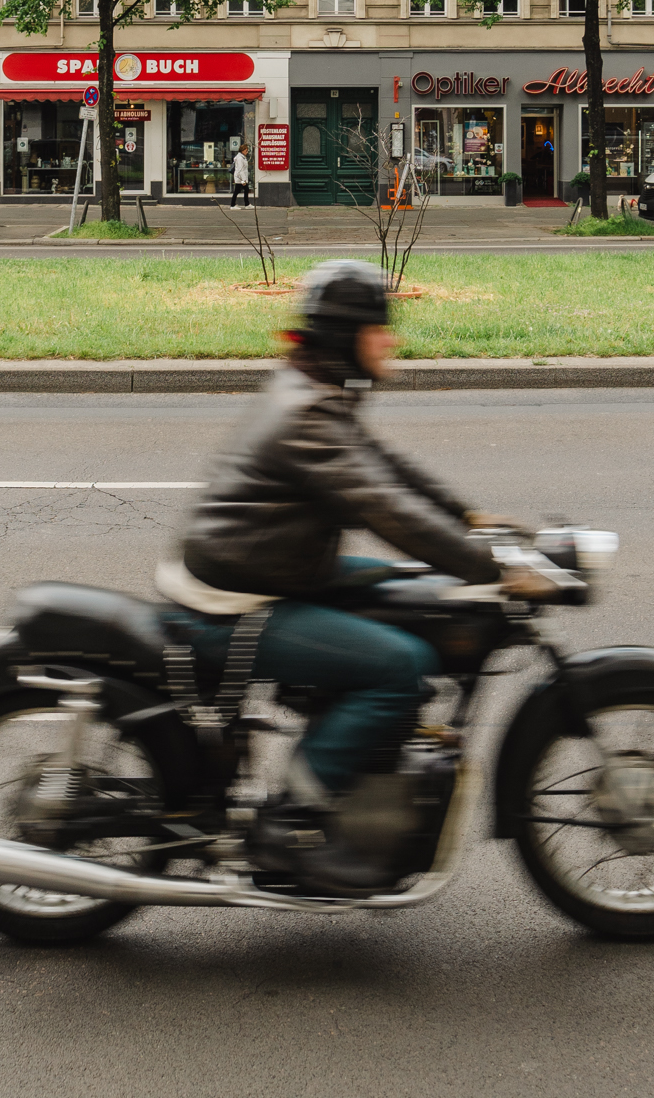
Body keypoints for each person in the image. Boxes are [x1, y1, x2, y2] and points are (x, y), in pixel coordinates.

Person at [157, 259, 550, 894]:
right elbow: (384, 508)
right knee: (398, 665)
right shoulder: (309, 415)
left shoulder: (318, 392)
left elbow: (388, 467)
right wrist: (496, 569)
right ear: (349, 337)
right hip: (236, 598)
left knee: (406, 588)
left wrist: (469, 516)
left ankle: (354, 759)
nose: (391, 339)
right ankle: (292, 823)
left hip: (271, 568)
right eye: (378, 327)